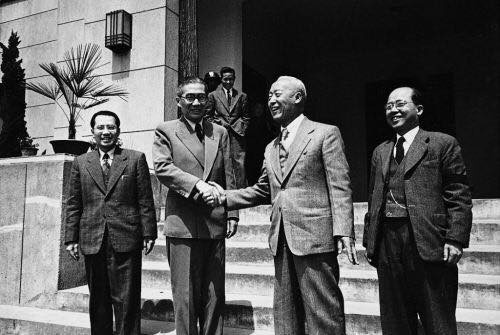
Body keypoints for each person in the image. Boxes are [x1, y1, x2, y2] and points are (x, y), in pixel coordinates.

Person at [207, 76, 358, 335]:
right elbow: (262, 190)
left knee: (323, 313)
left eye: (277, 94)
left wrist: (344, 231)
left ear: (298, 97)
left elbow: (340, 185)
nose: (271, 100)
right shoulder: (270, 148)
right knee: (285, 313)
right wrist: (225, 198)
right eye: (269, 96)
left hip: (315, 237)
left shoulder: (325, 133)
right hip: (281, 238)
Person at [363, 87, 473, 335]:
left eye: (400, 104)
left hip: (428, 241)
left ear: (419, 109)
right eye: (389, 106)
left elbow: (458, 194)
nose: (393, 110)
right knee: (395, 322)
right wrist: (371, 241)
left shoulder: (442, 143)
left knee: (438, 321)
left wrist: (455, 239)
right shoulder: (380, 151)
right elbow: (373, 198)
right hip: (388, 244)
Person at [152, 77, 239, 335]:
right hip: (183, 224)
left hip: (215, 222)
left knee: (214, 294)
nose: (196, 102)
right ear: (179, 101)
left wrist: (232, 213)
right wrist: (197, 185)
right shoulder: (166, 130)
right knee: (186, 296)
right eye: (190, 97)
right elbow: (163, 168)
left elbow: (229, 175)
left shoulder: (220, 132)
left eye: (201, 96)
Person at [65, 110, 157, 335]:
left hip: (126, 236)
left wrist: (149, 233)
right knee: (98, 298)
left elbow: (145, 199)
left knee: (127, 297)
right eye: (100, 128)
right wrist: (71, 238)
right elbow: (74, 203)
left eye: (111, 127)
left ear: (118, 130)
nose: (105, 132)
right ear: (93, 132)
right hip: (92, 237)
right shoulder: (81, 162)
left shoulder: (135, 159)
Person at [207, 66, 250, 187]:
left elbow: (246, 116)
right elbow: (207, 116)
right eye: (225, 79)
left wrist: (242, 129)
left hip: (238, 135)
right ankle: (224, 191)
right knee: (222, 162)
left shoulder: (242, 96)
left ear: (234, 79)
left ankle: (240, 193)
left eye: (231, 79)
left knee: (239, 163)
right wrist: (217, 126)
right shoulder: (213, 95)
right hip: (221, 134)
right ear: (221, 79)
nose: (228, 82)